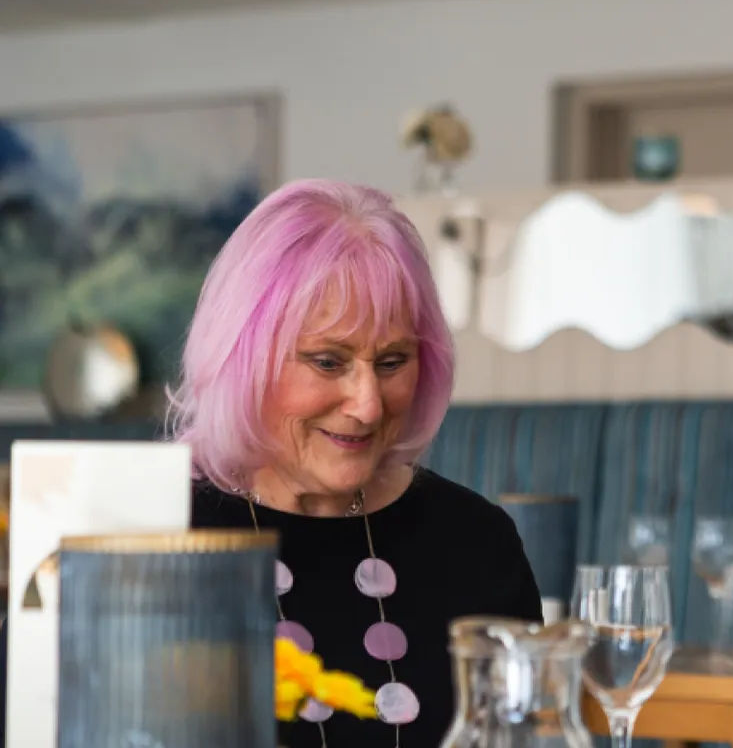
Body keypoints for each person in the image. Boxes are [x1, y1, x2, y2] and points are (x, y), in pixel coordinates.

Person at [172, 179, 543, 746]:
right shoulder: (148, 536)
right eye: (328, 361)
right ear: (243, 357)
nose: (368, 404)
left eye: (393, 361)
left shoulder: (475, 543)